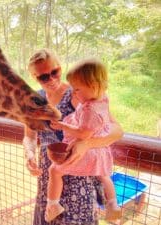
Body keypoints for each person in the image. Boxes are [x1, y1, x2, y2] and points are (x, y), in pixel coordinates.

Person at [23, 49, 123, 225]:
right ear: (34, 77)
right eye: (44, 77)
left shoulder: (78, 92)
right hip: (50, 174)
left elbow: (117, 130)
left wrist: (87, 144)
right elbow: (29, 136)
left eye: (55, 72)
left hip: (79, 177)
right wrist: (29, 153)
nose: (52, 79)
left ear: (60, 68)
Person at [46, 59, 121, 222]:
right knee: (103, 175)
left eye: (78, 89)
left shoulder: (89, 109)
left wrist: (63, 126)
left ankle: (53, 205)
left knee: (55, 171)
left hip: (86, 152)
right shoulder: (103, 98)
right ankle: (113, 204)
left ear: (93, 85)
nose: (74, 93)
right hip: (100, 150)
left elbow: (83, 133)